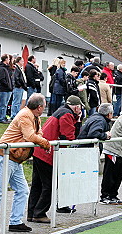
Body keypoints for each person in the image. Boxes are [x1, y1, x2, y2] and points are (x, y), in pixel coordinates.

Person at [0, 94, 51, 233]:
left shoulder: (34, 117)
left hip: (15, 158)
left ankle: (15, 222)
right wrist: (45, 143)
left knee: (22, 190)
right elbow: (31, 136)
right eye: (44, 106)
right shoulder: (25, 116)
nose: (44, 109)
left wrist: (42, 140)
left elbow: (39, 133)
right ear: (39, 107)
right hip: (5, 157)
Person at [28, 95, 83, 223]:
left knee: (37, 185)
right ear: (76, 107)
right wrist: (78, 121)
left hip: (39, 151)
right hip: (48, 153)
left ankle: (32, 213)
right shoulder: (67, 115)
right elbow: (69, 136)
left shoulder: (60, 111)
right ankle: (39, 213)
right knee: (49, 185)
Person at [0, 54, 13, 123]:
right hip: (4, 89)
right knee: (2, 104)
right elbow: (1, 79)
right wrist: (8, 85)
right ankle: (0, 118)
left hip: (7, 89)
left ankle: (3, 117)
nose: (9, 60)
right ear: (5, 59)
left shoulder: (6, 68)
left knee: (5, 104)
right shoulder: (2, 68)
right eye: (8, 59)